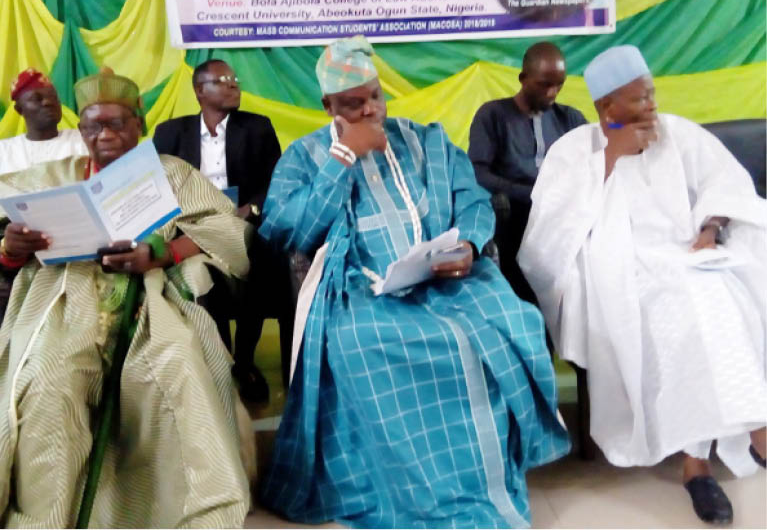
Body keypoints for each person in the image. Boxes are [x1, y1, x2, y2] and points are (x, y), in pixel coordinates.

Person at [258, 36, 569, 528]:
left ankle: (485, 477)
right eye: (351, 104)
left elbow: (472, 199)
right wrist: (343, 157)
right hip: (361, 287)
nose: (368, 110)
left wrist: (468, 244)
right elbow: (287, 228)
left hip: (448, 278)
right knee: (361, 344)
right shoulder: (306, 156)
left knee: (509, 319)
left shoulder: (424, 140)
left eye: (374, 96)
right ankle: (405, 487)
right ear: (327, 106)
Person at [518, 45, 767, 524]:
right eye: (639, 99)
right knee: (681, 312)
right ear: (607, 107)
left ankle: (732, 440)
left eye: (651, 94)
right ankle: (702, 463)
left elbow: (725, 183)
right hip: (620, 268)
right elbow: (549, 236)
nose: (652, 106)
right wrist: (611, 159)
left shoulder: (677, 133)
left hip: (690, 255)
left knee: (727, 298)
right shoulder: (574, 151)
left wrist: (710, 228)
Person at [0, 69, 253, 527]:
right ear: (81, 132)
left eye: (117, 123)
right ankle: (46, 516)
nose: (106, 134)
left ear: (140, 124)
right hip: (64, 301)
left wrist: (160, 253)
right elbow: (7, 237)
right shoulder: (50, 176)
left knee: (179, 364)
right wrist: (11, 248)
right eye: (94, 125)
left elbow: (227, 229)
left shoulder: (171, 173)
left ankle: (190, 512)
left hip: (151, 301)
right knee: (47, 379)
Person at [153, 59, 289, 400]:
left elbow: (275, 181)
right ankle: (222, 362)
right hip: (189, 226)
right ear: (200, 90)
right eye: (222, 80)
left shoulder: (257, 127)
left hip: (240, 223)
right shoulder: (171, 132)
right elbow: (159, 187)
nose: (233, 85)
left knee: (257, 254)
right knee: (199, 277)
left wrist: (252, 209)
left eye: (234, 79)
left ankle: (243, 361)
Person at [468, 42, 586, 301]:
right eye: (544, 84)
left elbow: (592, 166)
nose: (552, 93)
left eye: (559, 85)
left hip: (562, 217)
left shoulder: (571, 119)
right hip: (514, 216)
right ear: (523, 78)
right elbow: (477, 171)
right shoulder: (493, 116)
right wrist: (532, 194)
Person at [0, 69, 87, 175]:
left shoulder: (83, 140)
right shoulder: (4, 152)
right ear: (19, 109)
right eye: (37, 99)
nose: (48, 102)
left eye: (53, 97)